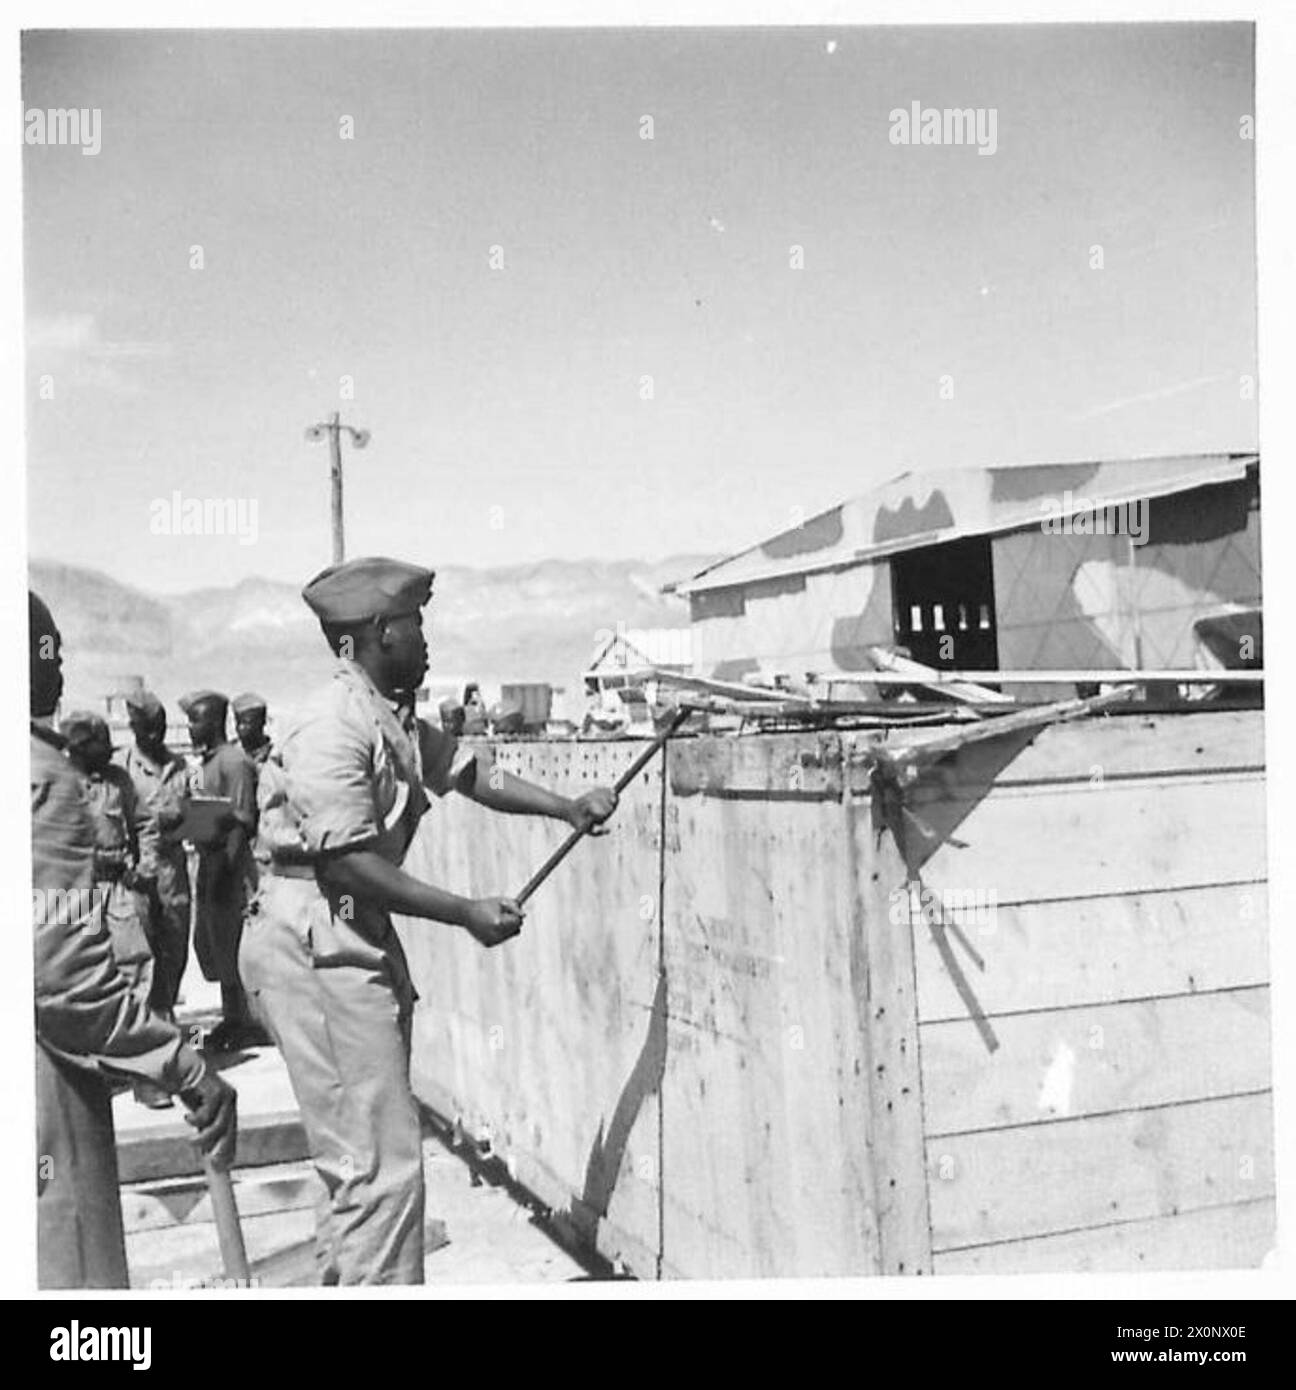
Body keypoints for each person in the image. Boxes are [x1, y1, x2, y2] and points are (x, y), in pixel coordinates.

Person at [240, 556, 618, 1285]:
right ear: (381, 632)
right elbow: (347, 864)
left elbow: (473, 773)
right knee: (382, 1173)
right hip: (318, 943)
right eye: (416, 625)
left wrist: (564, 806)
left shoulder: (390, 715)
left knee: (361, 1167)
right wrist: (464, 912)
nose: (426, 640)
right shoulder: (332, 725)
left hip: (343, 934)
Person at [30, 593, 236, 1287]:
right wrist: (186, 1068)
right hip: (40, 1094)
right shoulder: (42, 776)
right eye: (48, 651)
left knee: (160, 970)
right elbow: (64, 981)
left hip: (144, 888)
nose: (60, 670)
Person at [181, 690, 266, 1051]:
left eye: (195, 720)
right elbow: (202, 814)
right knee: (214, 947)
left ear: (213, 722)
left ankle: (246, 1022)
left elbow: (242, 822)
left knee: (234, 945)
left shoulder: (234, 763)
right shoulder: (205, 765)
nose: (190, 728)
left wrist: (224, 874)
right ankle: (232, 1018)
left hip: (231, 869)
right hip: (208, 862)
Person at [116, 690, 193, 1028]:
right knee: (141, 954)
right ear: (134, 728)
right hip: (138, 875)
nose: (155, 735)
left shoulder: (184, 767)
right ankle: (146, 1028)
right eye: (147, 728)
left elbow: (203, 812)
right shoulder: (121, 768)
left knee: (175, 949)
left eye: (159, 728)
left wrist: (187, 818)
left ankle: (167, 1017)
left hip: (174, 872)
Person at [233, 692, 273, 766]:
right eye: (238, 722)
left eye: (247, 723)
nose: (240, 727)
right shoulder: (229, 754)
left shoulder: (276, 756)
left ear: (263, 721)